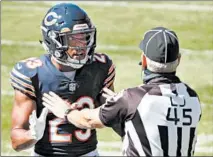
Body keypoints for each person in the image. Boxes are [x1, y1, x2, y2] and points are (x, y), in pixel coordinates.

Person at [42, 27, 202, 156]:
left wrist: (66, 111)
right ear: (178, 60)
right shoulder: (192, 97)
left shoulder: (132, 98)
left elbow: (88, 121)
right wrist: (124, 106)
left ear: (144, 60)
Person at [10, 3, 115, 156]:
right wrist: (32, 135)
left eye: (85, 37)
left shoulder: (100, 67)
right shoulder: (32, 73)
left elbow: (112, 117)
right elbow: (16, 141)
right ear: (53, 40)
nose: (82, 46)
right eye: (72, 39)